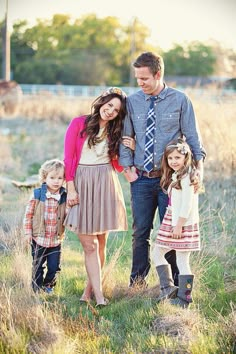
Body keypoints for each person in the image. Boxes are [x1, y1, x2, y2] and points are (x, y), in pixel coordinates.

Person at [119, 51, 206, 288]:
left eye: (144, 78)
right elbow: (126, 136)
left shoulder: (180, 100)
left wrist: (199, 170)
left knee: (171, 233)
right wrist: (128, 169)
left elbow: (194, 139)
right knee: (140, 233)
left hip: (172, 181)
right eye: (137, 78)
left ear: (158, 74)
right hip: (142, 180)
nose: (140, 83)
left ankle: (176, 286)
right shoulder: (133, 102)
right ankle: (137, 284)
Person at [63, 87, 130, 307]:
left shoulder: (115, 131)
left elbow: (118, 165)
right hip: (81, 180)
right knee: (89, 245)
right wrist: (71, 188)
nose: (110, 111)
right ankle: (100, 297)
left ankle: (88, 291)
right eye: (109, 105)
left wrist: (131, 148)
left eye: (116, 110)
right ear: (101, 102)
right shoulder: (78, 123)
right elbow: (69, 157)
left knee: (100, 244)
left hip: (105, 182)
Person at [152, 138, 201, 308]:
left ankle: (180, 295)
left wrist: (179, 225)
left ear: (185, 157)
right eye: (170, 158)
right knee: (160, 253)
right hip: (172, 219)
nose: (173, 161)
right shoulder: (177, 174)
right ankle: (172, 291)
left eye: (177, 158)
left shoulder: (188, 176)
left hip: (181, 222)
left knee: (178, 259)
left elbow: (187, 204)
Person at [23, 159, 67, 294]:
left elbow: (67, 213)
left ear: (64, 179)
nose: (56, 181)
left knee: (54, 266)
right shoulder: (37, 194)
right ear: (44, 177)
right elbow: (29, 214)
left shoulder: (64, 196)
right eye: (52, 177)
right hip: (39, 238)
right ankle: (36, 289)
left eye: (60, 178)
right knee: (37, 265)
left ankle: (48, 286)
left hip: (55, 239)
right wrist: (27, 232)